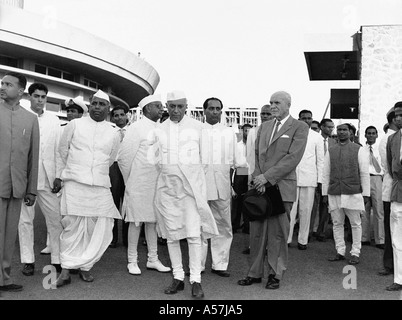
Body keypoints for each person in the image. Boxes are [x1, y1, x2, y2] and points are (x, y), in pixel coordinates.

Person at [238, 91, 309, 290]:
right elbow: (257, 155)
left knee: (277, 233)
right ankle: (254, 273)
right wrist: (259, 178)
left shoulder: (300, 127)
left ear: (288, 104)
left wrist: (266, 177)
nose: (272, 106)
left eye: (277, 102)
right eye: (270, 103)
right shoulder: (264, 127)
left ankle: (275, 274)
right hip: (261, 187)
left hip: (281, 187)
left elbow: (292, 158)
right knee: (257, 232)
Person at [53, 89, 121, 287]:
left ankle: (86, 266)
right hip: (75, 182)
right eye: (95, 103)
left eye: (102, 104)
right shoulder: (75, 125)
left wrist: (95, 172)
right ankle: (66, 270)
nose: (98, 107)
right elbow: (62, 151)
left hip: (99, 185)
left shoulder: (114, 132)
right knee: (71, 226)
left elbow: (111, 158)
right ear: (90, 105)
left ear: (108, 109)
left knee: (99, 226)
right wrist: (67, 173)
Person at [154, 90, 218, 299]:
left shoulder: (198, 128)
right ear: (166, 106)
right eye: (172, 106)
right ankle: (178, 277)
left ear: (186, 107)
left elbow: (206, 161)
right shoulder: (159, 129)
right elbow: (155, 160)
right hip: (168, 191)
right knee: (172, 235)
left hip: (191, 191)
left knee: (192, 235)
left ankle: (196, 280)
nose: (175, 110)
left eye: (180, 106)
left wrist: (194, 183)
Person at [117, 94, 171, 275]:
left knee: (153, 222)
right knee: (135, 221)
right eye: (158, 106)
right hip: (138, 183)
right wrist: (130, 181)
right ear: (147, 108)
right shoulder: (136, 128)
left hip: (157, 184)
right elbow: (124, 158)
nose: (162, 109)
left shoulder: (163, 128)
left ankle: (153, 259)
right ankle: (132, 261)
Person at [18, 83, 63, 277]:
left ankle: (58, 259)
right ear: (29, 97)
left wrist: (59, 175)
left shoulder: (54, 120)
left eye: (43, 97)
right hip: (26, 178)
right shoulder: (20, 116)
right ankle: (28, 261)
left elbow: (59, 150)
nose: (40, 100)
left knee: (55, 219)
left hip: (48, 177)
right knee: (25, 221)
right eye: (36, 96)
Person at [0, 72, 39, 293]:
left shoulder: (30, 119)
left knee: (8, 237)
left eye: (8, 84)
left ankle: (4, 280)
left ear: (21, 90)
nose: (3, 87)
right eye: (2, 84)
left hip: (17, 187)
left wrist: (31, 189)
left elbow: (33, 157)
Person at [200, 97, 247, 278]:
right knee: (201, 225)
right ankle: (199, 264)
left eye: (218, 108)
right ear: (204, 111)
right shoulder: (197, 132)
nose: (214, 111)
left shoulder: (229, 133)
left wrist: (242, 187)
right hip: (201, 186)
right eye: (211, 108)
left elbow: (240, 162)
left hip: (223, 186)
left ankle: (220, 264)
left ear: (222, 111)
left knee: (224, 225)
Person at [41, 96, 88, 255]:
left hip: (75, 176)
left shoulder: (84, 131)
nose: (70, 114)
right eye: (68, 111)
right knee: (54, 212)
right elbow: (56, 154)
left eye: (74, 111)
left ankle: (72, 246)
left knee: (72, 214)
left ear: (81, 114)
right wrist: (57, 176)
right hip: (58, 175)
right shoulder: (60, 128)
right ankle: (51, 243)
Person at [324, 119, 370, 265]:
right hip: (335, 192)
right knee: (337, 223)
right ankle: (340, 251)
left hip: (353, 192)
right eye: (339, 130)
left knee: (355, 223)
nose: (341, 132)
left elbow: (364, 172)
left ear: (350, 132)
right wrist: (325, 193)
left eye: (344, 130)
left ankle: (355, 252)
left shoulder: (359, 149)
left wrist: (366, 193)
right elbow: (325, 173)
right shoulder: (331, 150)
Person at [288, 110, 324, 250]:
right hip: (292, 177)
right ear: (299, 119)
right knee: (291, 210)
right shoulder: (292, 133)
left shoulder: (317, 137)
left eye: (309, 118)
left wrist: (320, 180)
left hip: (309, 178)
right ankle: (288, 238)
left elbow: (320, 160)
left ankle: (303, 240)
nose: (306, 120)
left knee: (306, 210)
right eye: (303, 118)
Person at [378, 107, 398, 276]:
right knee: (391, 229)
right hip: (393, 188)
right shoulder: (388, 138)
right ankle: (389, 264)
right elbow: (390, 167)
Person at [384, 101, 402, 291]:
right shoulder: (392, 139)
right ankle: (399, 278)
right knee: (397, 239)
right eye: (396, 115)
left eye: (401, 114)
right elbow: (390, 167)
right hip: (398, 193)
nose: (398, 118)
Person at [109, 105, 130, 248]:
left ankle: (128, 238)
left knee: (128, 204)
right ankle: (113, 238)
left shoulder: (133, 131)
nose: (119, 118)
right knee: (114, 204)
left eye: (122, 114)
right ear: (112, 118)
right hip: (114, 168)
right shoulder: (110, 132)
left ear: (127, 116)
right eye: (116, 115)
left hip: (129, 168)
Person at [362, 126, 385, 249]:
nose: (371, 135)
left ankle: (380, 239)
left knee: (378, 209)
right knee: (364, 209)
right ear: (365, 135)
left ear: (376, 135)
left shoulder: (380, 149)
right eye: (368, 133)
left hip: (377, 178)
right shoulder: (361, 150)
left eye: (373, 133)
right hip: (365, 178)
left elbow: (384, 165)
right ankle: (364, 237)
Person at [312, 118, 335, 242]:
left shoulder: (333, 142)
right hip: (315, 177)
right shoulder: (315, 140)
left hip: (328, 178)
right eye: (329, 127)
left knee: (326, 206)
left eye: (332, 127)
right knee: (313, 205)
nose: (331, 129)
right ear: (322, 127)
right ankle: (311, 230)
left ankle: (321, 231)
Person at [231, 123, 252, 235]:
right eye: (245, 131)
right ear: (242, 132)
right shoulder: (238, 145)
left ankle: (247, 226)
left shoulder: (254, 146)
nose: (247, 133)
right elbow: (234, 161)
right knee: (237, 200)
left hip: (251, 172)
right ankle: (234, 225)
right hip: (241, 171)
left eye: (249, 131)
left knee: (249, 200)